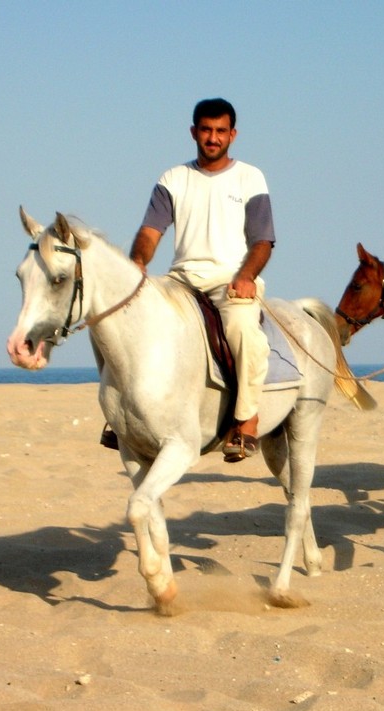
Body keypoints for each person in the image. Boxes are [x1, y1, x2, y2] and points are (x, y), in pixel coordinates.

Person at [129, 98, 275, 463]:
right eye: (206, 130)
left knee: (243, 330)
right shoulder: (172, 179)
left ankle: (246, 420)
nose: (213, 138)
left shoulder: (250, 177)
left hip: (230, 279)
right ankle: (124, 417)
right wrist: (138, 261)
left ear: (233, 135)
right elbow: (150, 232)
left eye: (220, 131)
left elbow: (262, 241)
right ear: (193, 132)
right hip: (181, 279)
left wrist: (245, 277)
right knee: (133, 320)